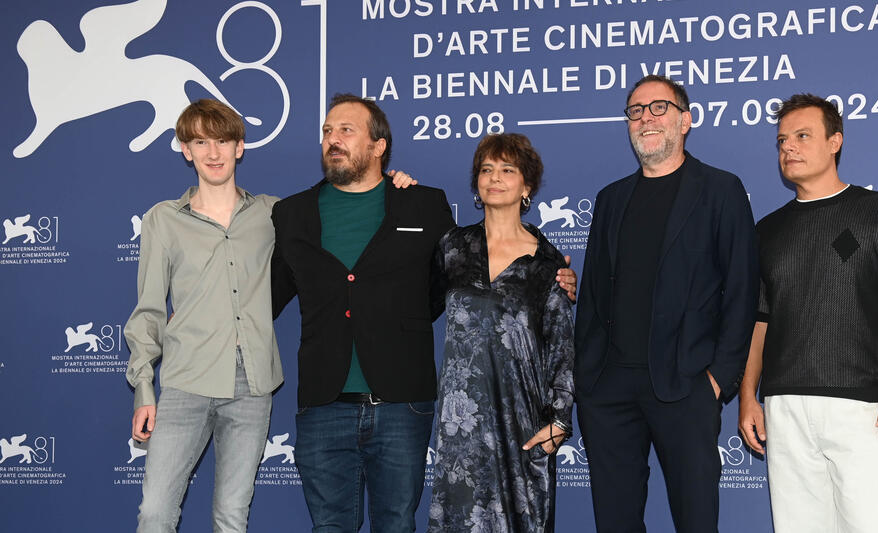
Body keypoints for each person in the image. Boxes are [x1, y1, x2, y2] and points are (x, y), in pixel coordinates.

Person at [270, 94, 578, 532]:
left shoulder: (424, 207)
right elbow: (263, 298)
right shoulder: (292, 214)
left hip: (409, 405)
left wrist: (563, 281)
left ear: (379, 146)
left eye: (345, 130)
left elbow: (446, 296)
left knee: (397, 524)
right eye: (326, 131)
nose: (332, 139)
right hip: (325, 403)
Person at [574, 75, 758, 532]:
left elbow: (742, 292)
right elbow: (594, 296)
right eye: (635, 111)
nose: (646, 118)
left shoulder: (721, 190)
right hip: (609, 389)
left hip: (687, 384)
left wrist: (717, 380)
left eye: (658, 107)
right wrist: (586, 379)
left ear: (686, 120)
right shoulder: (610, 199)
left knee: (696, 522)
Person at [738, 94, 878, 533]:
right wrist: (749, 393)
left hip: (863, 405)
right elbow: (759, 319)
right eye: (782, 140)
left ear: (835, 141)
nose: (789, 147)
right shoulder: (767, 230)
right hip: (784, 405)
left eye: (803, 136)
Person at [125, 99, 282, 533]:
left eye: (223, 140)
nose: (213, 152)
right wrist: (143, 388)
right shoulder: (163, 220)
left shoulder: (273, 214)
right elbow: (149, 311)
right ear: (185, 149)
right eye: (201, 141)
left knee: (231, 518)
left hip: (252, 385)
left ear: (240, 147)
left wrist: (394, 183)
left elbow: (347, 201)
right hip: (185, 381)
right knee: (155, 514)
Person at [427, 133, 575, 532]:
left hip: (522, 418)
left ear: (526, 186)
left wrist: (560, 419)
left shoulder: (547, 263)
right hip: (462, 423)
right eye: (486, 169)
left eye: (507, 170)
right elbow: (417, 310)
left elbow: (561, 345)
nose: (494, 177)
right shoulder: (453, 247)